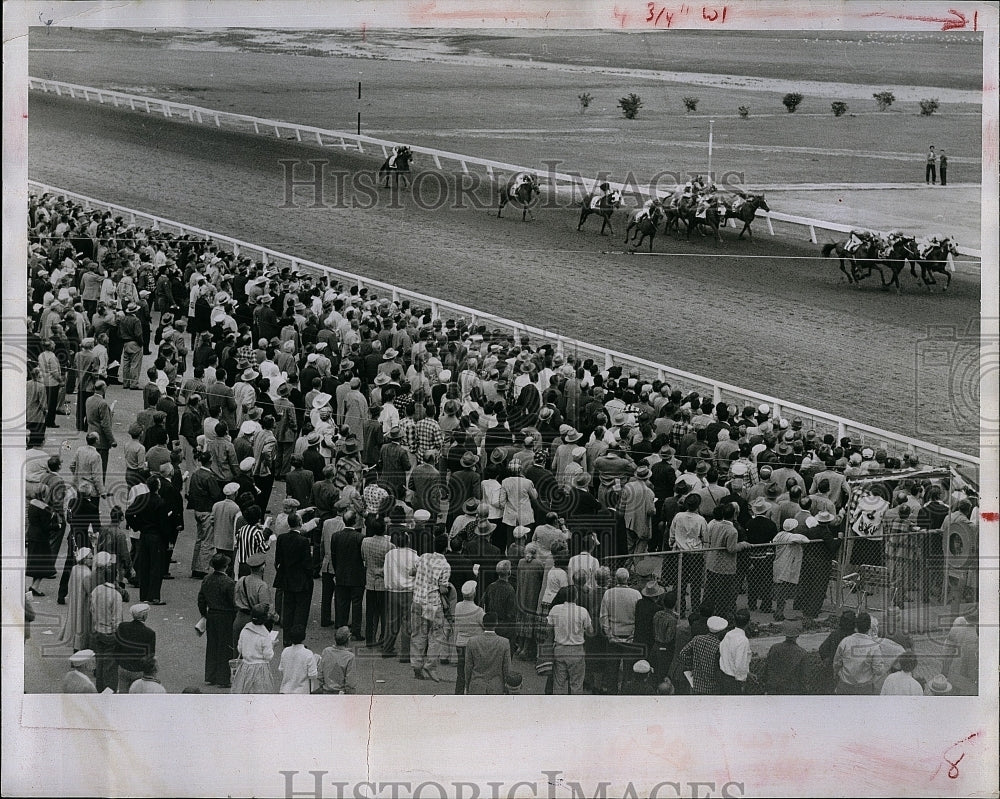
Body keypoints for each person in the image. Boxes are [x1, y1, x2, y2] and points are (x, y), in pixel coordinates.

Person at [410, 533, 452, 682]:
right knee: (436, 636)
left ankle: (416, 666)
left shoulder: (424, 557)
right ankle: (430, 665)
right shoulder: (445, 566)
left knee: (418, 634)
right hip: (433, 603)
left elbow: (412, 571)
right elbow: (443, 589)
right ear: (446, 548)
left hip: (417, 600)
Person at [273, 512, 314, 645]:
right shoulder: (303, 541)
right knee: (300, 612)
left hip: (286, 579)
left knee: (288, 609)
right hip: (301, 581)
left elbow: (277, 560)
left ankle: (286, 638)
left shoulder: (282, 538)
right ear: (300, 523)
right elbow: (307, 563)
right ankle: (297, 639)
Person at [547, 585, 594, 694]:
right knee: (576, 684)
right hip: (576, 650)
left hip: (559, 649)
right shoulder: (582, 611)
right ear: (576, 596)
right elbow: (590, 631)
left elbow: (548, 628)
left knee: (558, 683)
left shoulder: (555, 609)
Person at [89, 553, 124, 692]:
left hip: (97, 630)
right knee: (110, 665)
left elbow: (91, 609)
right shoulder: (116, 595)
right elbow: (117, 619)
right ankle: (109, 691)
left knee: (100, 662)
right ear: (115, 578)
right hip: (110, 633)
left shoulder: (96, 590)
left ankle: (100, 688)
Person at [361, 516, 395, 648]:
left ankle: (370, 639)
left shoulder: (365, 542)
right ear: (384, 529)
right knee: (384, 613)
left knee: (371, 612)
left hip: (370, 581)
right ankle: (383, 638)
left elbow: (363, 557)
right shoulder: (390, 546)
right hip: (383, 582)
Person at [832, 612, 885, 695]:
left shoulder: (845, 642)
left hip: (845, 686)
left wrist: (836, 674)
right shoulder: (874, 646)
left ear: (856, 627)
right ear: (869, 627)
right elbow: (878, 670)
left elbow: (836, 663)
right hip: (864, 688)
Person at [678, 615, 728, 695]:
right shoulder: (719, 645)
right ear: (721, 631)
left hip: (696, 684)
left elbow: (683, 653)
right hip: (712, 687)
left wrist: (693, 663)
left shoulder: (697, 639)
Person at [232, 603, 276, 694]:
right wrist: (272, 646)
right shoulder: (265, 634)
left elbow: (240, 648)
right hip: (260, 669)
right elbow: (268, 656)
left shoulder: (245, 629)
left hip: (245, 667)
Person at [464, 612, 512, 694]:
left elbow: (468, 667)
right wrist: (506, 686)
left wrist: (467, 685)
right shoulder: (504, 643)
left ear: (483, 623)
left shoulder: (472, 641)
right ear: (496, 623)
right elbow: (507, 668)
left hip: (476, 685)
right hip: (496, 686)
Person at [57, 547, 93, 651]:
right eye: (90, 558)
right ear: (85, 559)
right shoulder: (87, 574)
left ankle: (75, 651)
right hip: (83, 605)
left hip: (74, 602)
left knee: (75, 625)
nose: (92, 559)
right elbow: (90, 592)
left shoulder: (75, 568)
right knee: (82, 627)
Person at [115, 603, 156, 693]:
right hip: (139, 669)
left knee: (123, 693)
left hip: (123, 666)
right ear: (144, 616)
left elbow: (117, 647)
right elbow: (150, 655)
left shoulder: (122, 626)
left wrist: (119, 662)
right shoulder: (150, 633)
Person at [453, 580, 486, 694]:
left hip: (460, 643)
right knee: (474, 671)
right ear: (474, 594)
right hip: (474, 644)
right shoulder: (478, 610)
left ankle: (458, 693)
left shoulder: (458, 606)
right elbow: (485, 624)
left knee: (461, 672)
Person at [764, 620, 808, 694]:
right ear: (798, 635)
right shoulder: (802, 653)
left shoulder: (774, 648)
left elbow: (767, 669)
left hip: (774, 689)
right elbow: (804, 678)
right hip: (792, 691)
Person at [278, 625, 319, 694]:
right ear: (304, 637)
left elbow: (281, 669)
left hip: (285, 690)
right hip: (302, 691)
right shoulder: (308, 653)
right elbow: (313, 675)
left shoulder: (285, 651)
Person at [718, 609, 752, 694]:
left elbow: (721, 649)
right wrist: (742, 681)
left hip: (723, 675)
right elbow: (739, 664)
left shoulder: (728, 634)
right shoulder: (743, 640)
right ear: (748, 623)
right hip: (733, 681)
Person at [318, 627, 358, 694]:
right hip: (340, 693)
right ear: (348, 638)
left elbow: (320, 675)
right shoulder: (350, 657)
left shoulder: (326, 651)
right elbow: (350, 683)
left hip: (325, 692)